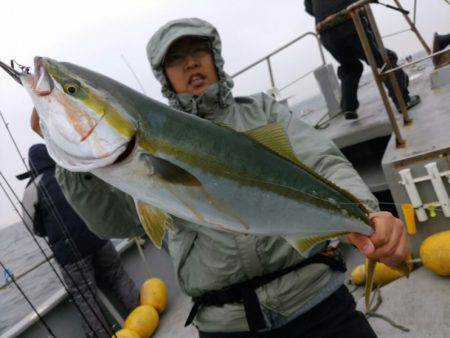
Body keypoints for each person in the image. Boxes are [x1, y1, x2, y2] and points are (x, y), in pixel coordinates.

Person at [52, 18, 408, 338]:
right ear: (164, 75)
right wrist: (73, 164)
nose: (190, 62)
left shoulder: (263, 112)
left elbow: (323, 161)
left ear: (214, 58)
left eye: (198, 52)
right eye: (176, 59)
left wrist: (366, 213)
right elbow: (113, 222)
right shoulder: (133, 159)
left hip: (315, 300)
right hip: (225, 325)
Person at [20, 143, 140, 338]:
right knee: (117, 274)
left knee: (85, 297)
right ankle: (143, 314)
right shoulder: (69, 170)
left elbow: (32, 226)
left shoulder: (32, 188)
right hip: (97, 235)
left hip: (70, 253)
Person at [304, 0, 421, 120]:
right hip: (350, 20)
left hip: (325, 32)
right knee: (382, 59)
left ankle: (348, 107)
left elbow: (309, 9)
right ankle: (403, 101)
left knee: (350, 67)